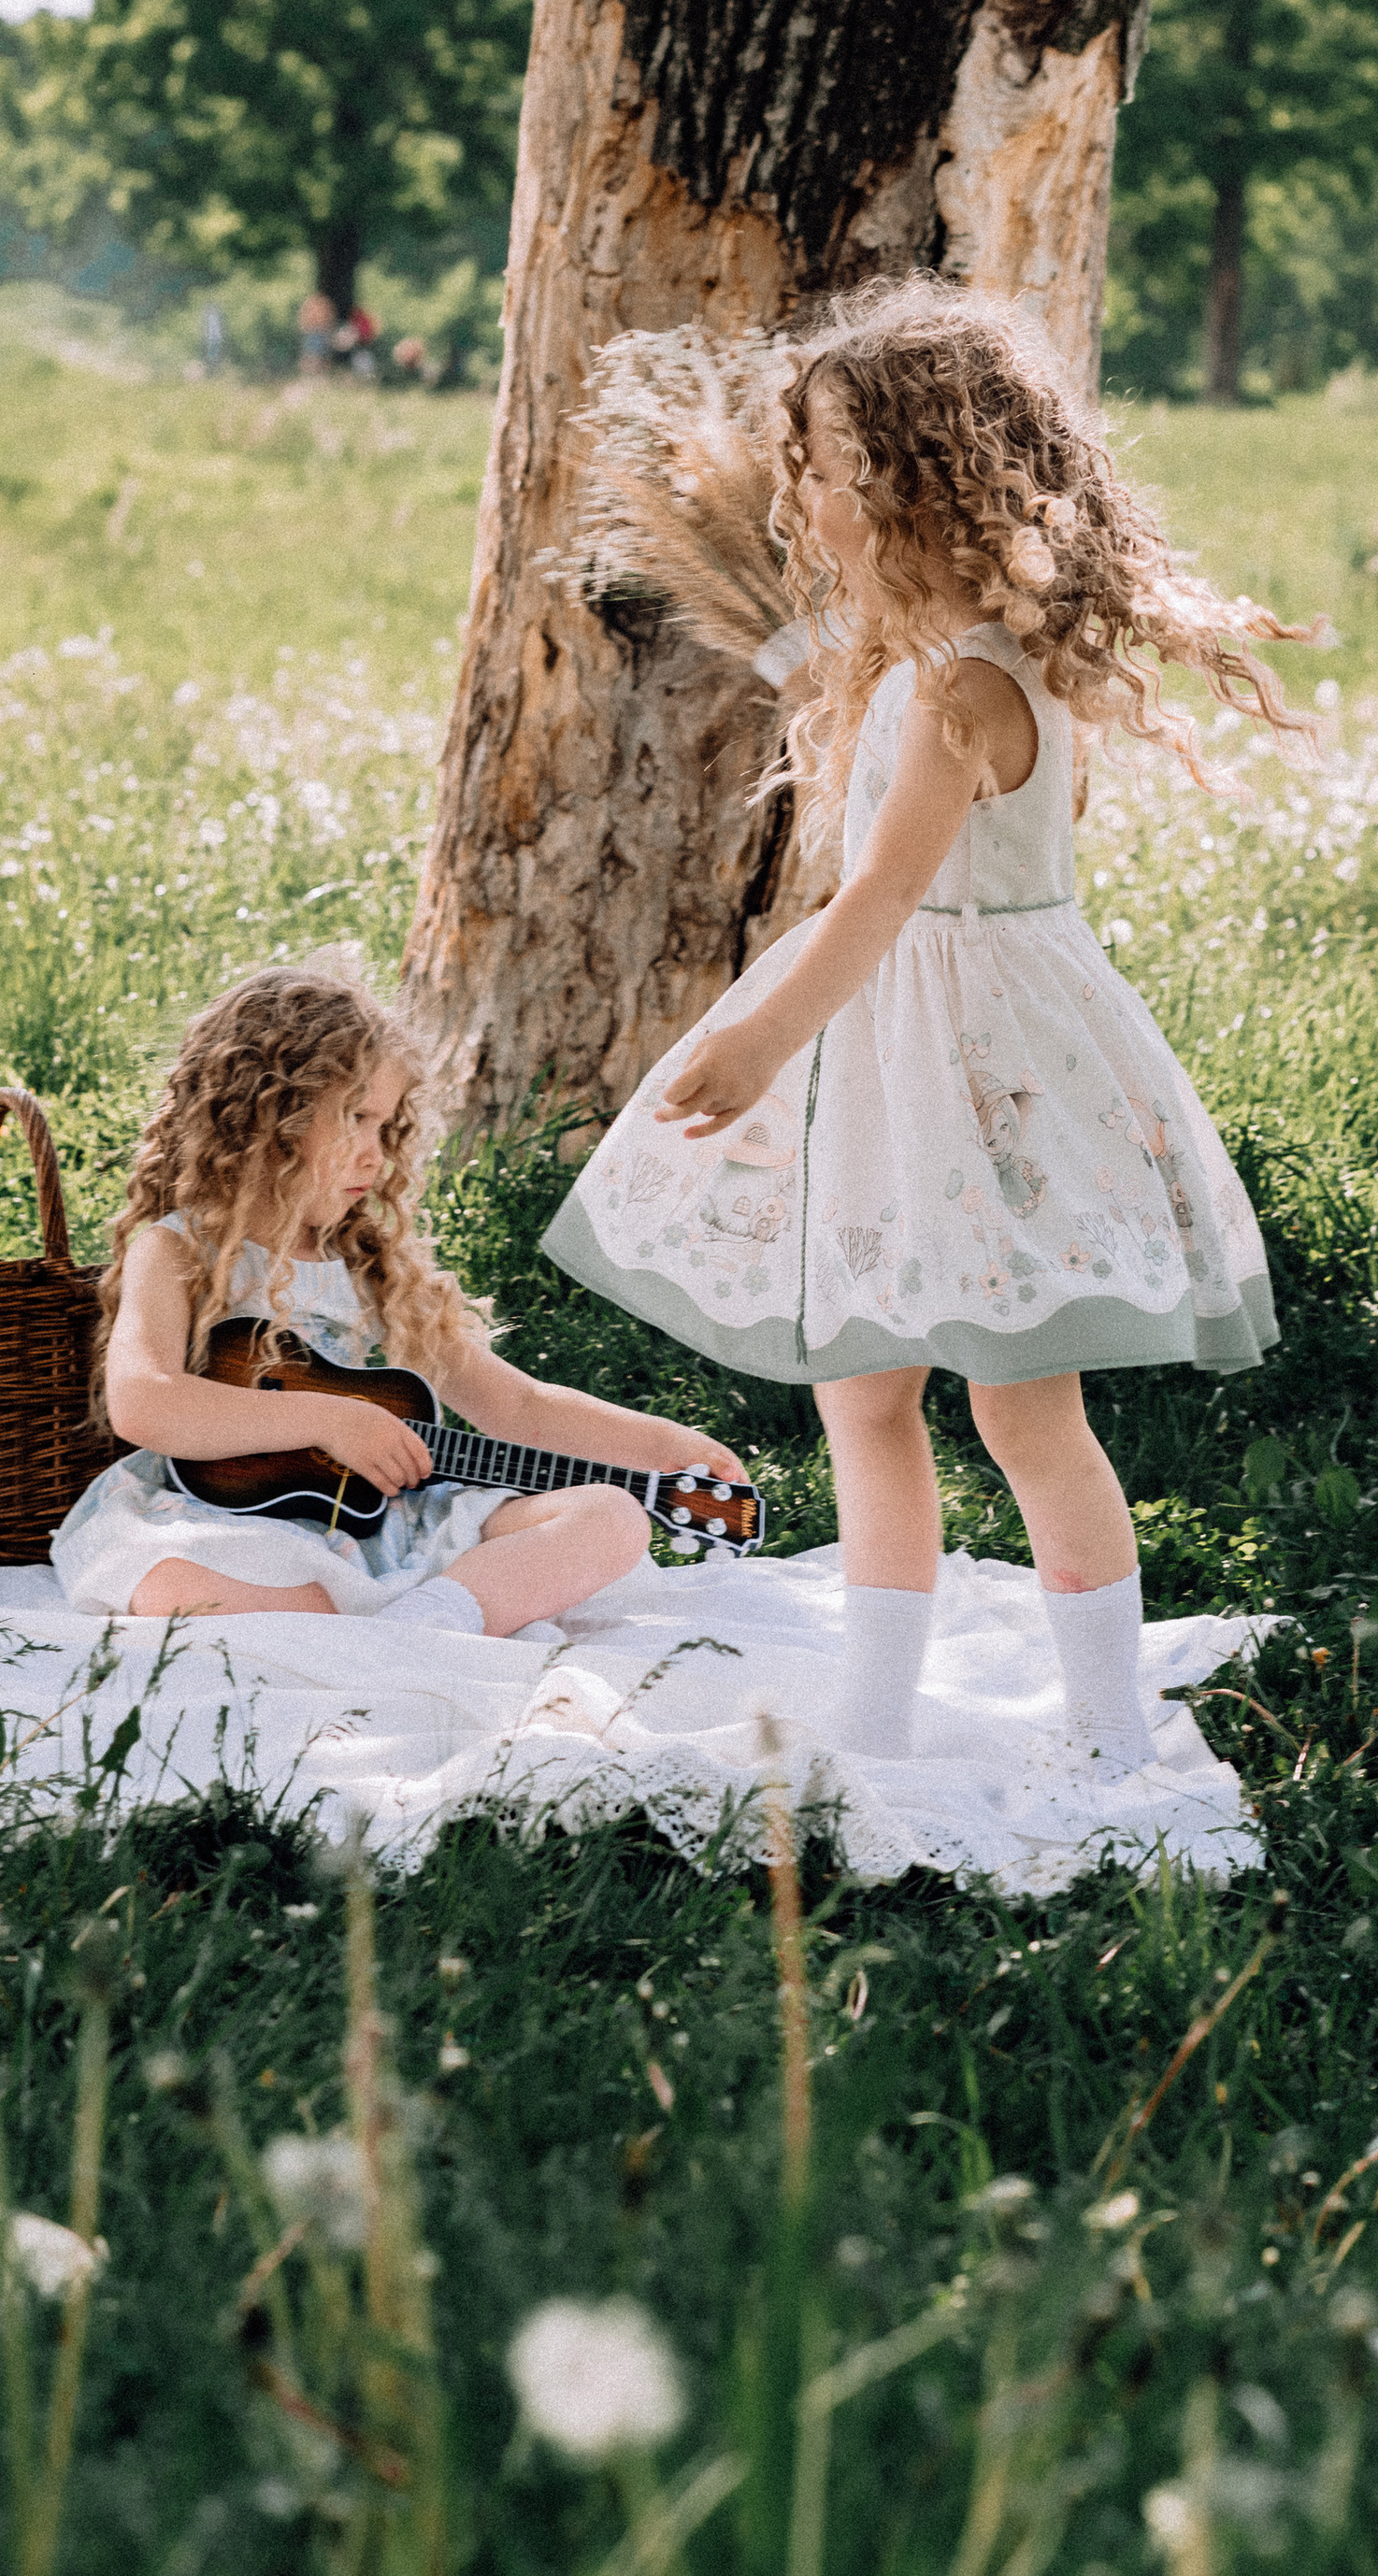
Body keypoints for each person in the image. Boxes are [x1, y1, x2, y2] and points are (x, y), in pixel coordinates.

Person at [543, 279, 1312, 1768]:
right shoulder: (939, 659)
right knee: (866, 1384)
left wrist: (759, 1041)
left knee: (1024, 1409)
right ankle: (878, 1712)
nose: (807, 497)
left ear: (922, 485)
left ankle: (1106, 1732)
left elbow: (888, 895)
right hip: (914, 1056)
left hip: (980, 1065)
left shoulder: (966, 680)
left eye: (834, 468)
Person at [53, 958, 747, 1635]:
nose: (375, 1155)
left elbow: (518, 1407)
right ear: (264, 1119)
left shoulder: (369, 1266)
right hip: (228, 1523)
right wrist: (329, 1421)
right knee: (172, 1580)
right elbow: (143, 1400)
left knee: (612, 1518)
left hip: (388, 1524)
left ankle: (430, 1618)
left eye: (385, 1128)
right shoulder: (178, 1250)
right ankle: (387, 1623)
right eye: (355, 1118)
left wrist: (665, 1445)